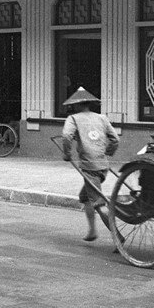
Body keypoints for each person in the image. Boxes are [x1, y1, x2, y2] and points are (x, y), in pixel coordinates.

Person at [61, 87, 120, 242]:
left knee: (98, 203)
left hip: (89, 167)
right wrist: (107, 152)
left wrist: (67, 154)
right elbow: (115, 139)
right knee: (85, 197)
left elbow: (67, 135)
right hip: (103, 166)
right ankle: (92, 231)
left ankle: (117, 237)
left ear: (77, 105)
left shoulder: (73, 119)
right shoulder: (102, 118)